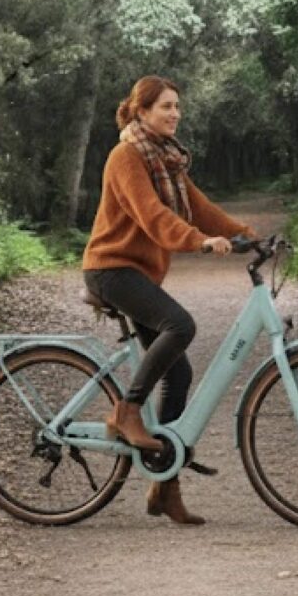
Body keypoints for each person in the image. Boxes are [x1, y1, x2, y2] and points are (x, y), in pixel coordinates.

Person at [82, 75, 256, 526]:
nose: (174, 114)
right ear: (141, 112)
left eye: (177, 106)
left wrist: (244, 233)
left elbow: (197, 206)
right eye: (165, 107)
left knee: (178, 369)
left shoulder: (167, 159)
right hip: (110, 270)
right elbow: (153, 216)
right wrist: (199, 243)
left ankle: (165, 486)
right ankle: (126, 411)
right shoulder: (126, 156)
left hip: (136, 274)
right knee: (181, 326)